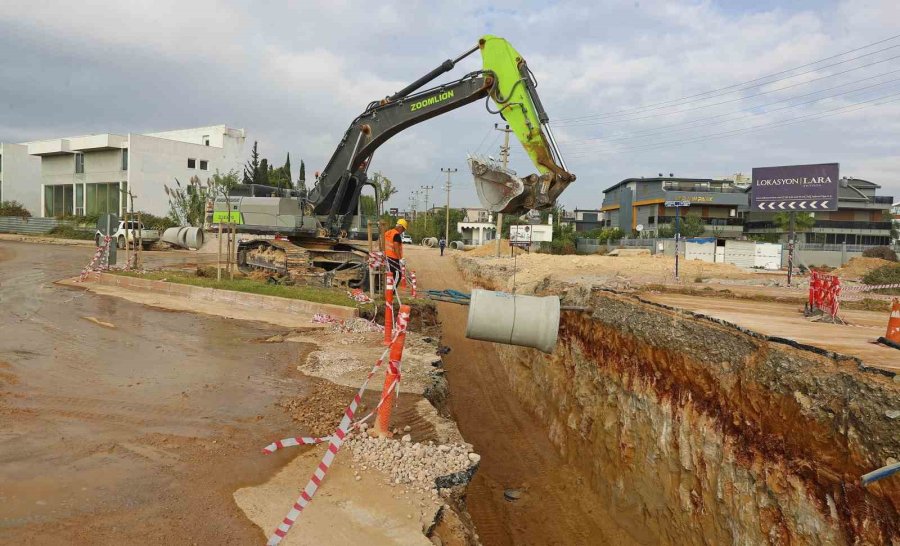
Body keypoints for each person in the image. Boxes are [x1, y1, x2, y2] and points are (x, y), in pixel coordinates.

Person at [383, 218, 408, 285]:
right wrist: (400, 259)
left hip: (385, 256)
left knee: (389, 275)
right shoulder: (396, 235)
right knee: (398, 275)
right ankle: (392, 292)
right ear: (400, 227)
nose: (403, 231)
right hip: (393, 258)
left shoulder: (388, 232)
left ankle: (388, 291)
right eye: (403, 229)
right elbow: (396, 247)